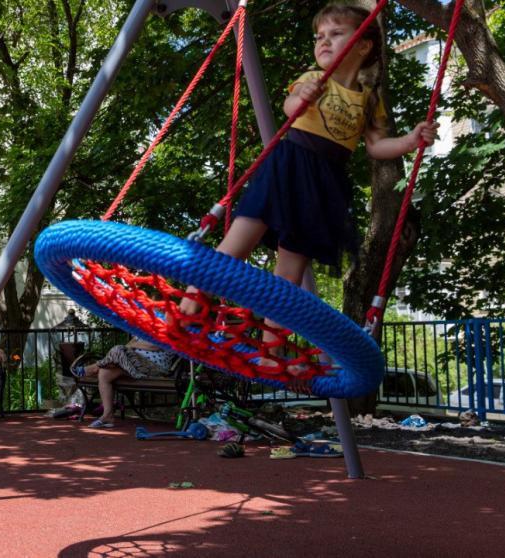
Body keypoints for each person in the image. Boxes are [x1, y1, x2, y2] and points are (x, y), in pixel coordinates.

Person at [180, 2, 439, 375]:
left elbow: (376, 147)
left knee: (289, 275)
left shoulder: (369, 99)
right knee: (237, 243)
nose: (324, 42)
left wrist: (412, 140)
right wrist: (303, 98)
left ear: (363, 45)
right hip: (288, 166)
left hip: (324, 184)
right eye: (319, 37)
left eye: (336, 34)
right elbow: (290, 107)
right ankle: (190, 306)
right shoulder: (314, 79)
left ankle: (270, 353)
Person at [71, 337, 176, 428]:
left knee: (118, 349)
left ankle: (94, 368)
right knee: (104, 373)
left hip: (154, 366)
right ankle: (108, 415)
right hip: (133, 364)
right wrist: (134, 345)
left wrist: (133, 345)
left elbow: (154, 346)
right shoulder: (144, 327)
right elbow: (129, 344)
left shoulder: (166, 326)